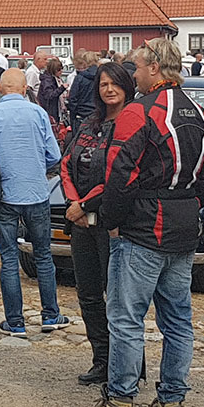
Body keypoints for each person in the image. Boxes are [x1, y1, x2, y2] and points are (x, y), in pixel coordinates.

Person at [74, 37, 204, 407]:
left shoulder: (138, 112)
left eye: (137, 67)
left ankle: (120, 402)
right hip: (182, 226)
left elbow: (118, 174)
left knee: (125, 319)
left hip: (143, 228)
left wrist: (111, 220)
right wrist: (188, 204)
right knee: (177, 320)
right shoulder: (203, 115)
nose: (133, 74)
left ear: (154, 67)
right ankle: (171, 402)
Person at [0, 68, 65, 336]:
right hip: (37, 192)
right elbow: (54, 154)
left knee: (9, 259)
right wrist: (35, 167)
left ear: (0, 89)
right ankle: (51, 315)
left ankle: (15, 322)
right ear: (25, 89)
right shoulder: (38, 113)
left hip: (5, 195)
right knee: (44, 256)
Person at [61, 61, 136, 385]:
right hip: (81, 223)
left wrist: (85, 204)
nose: (109, 89)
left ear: (126, 86)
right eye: (103, 84)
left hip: (113, 223)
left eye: (114, 83)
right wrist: (73, 202)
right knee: (88, 295)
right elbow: (66, 163)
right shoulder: (88, 124)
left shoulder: (131, 123)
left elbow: (117, 175)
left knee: (119, 300)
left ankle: (128, 365)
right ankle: (101, 360)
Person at [37, 57, 65, 123]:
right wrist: (62, 88)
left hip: (53, 110)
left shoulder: (53, 79)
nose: (61, 72)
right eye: (59, 70)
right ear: (54, 70)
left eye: (61, 69)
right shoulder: (47, 81)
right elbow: (49, 95)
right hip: (49, 111)